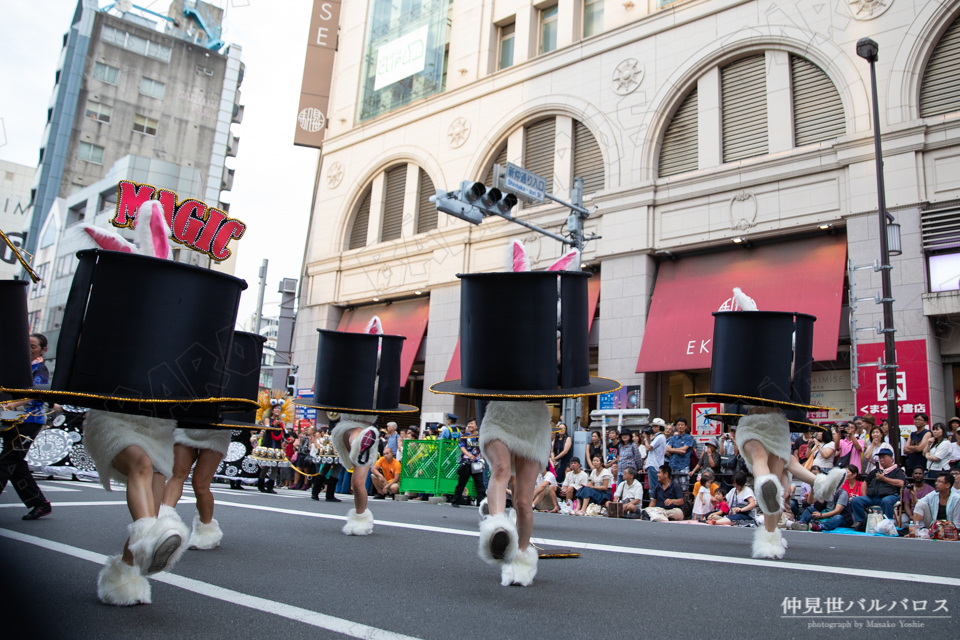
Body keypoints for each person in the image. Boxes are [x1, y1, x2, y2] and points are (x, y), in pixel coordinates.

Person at [0, 333, 52, 520]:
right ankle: (39, 503)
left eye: (33, 347)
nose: (29, 350)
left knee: (5, 462)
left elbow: (40, 392)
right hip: (11, 421)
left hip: (30, 422)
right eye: (26, 346)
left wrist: (15, 403)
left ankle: (39, 503)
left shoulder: (40, 368)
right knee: (15, 465)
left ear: (43, 350)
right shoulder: (18, 366)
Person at [161, 425, 231, 550]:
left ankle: (207, 531)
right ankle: (162, 524)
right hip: (187, 423)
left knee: (200, 485)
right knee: (177, 474)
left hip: (217, 428)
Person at [850, 447, 906, 529]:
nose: (881, 459)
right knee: (856, 500)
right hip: (872, 497)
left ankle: (887, 524)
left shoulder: (898, 471)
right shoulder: (875, 471)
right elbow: (865, 482)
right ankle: (861, 523)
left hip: (890, 496)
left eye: (884, 457)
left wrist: (884, 479)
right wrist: (865, 495)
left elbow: (901, 483)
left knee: (886, 501)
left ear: (891, 459)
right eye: (880, 458)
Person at [452, 420, 486, 507]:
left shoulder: (481, 436)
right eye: (468, 424)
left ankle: (481, 503)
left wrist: (482, 461)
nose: (469, 425)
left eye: (471, 424)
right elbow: (462, 447)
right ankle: (455, 501)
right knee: (461, 483)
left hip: (477, 464)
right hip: (466, 462)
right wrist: (469, 455)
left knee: (480, 484)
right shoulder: (464, 436)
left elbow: (483, 449)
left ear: (476, 426)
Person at [666, 418, 695, 490]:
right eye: (678, 425)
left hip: (683, 466)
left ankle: (686, 501)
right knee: (674, 488)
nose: (680, 426)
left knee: (684, 488)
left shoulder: (689, 437)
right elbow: (667, 449)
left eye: (682, 425)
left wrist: (673, 450)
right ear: (676, 427)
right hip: (673, 465)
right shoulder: (672, 438)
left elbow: (684, 449)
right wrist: (678, 451)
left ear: (686, 426)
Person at [644, 419, 667, 494]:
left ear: (659, 427)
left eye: (654, 426)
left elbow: (649, 448)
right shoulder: (659, 437)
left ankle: (654, 503)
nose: (652, 428)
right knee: (655, 487)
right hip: (656, 464)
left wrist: (645, 439)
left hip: (654, 464)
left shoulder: (659, 437)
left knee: (653, 488)